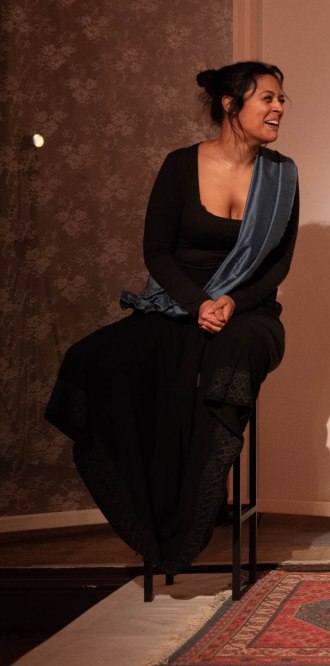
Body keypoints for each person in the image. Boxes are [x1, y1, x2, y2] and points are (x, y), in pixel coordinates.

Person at [45, 61, 299, 575]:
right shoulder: (181, 165)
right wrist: (198, 303)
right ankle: (148, 512)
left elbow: (278, 265)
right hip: (178, 304)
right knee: (97, 359)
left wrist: (232, 302)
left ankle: (202, 501)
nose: (278, 108)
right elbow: (157, 251)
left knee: (234, 356)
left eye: (280, 100)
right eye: (267, 98)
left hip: (248, 311)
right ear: (230, 105)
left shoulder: (282, 174)